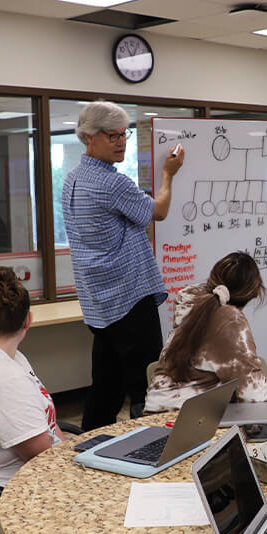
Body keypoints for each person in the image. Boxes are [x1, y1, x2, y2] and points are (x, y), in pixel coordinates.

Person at [62, 100, 184, 430]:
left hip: (100, 304)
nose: (121, 142)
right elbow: (158, 211)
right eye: (112, 135)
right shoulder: (113, 183)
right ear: (89, 137)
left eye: (124, 134)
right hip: (129, 300)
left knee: (106, 387)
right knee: (148, 389)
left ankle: (92, 446)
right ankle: (151, 446)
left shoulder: (71, 180)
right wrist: (168, 175)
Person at [0, 267, 63, 534]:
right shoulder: (3, 378)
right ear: (27, 320)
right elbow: (42, 455)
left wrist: (76, 449)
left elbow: (47, 427)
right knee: (99, 510)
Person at [145, 252, 267, 411]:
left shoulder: (189, 298)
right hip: (186, 418)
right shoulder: (230, 321)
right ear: (255, 293)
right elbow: (253, 394)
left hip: (157, 412)